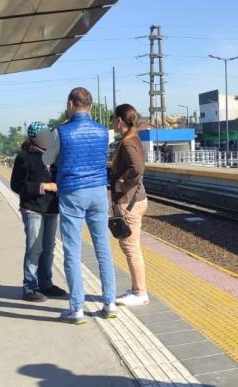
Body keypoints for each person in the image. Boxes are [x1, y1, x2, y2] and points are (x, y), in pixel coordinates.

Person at [43, 87, 117, 323]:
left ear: (70, 104)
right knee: (102, 248)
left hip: (73, 192)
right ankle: (110, 303)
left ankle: (76, 308)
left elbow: (46, 160)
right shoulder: (103, 131)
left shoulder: (61, 132)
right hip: (98, 192)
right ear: (91, 106)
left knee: (72, 252)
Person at [10, 122, 67, 302]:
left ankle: (46, 284)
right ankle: (30, 286)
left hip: (51, 208)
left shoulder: (54, 156)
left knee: (49, 248)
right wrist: (42, 187)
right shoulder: (24, 157)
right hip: (32, 208)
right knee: (34, 247)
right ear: (34, 138)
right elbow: (16, 185)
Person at [110, 104, 150, 306]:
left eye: (112, 119)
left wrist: (123, 183)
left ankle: (139, 292)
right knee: (133, 247)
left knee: (130, 247)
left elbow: (137, 167)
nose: (112, 123)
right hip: (136, 199)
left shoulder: (127, 143)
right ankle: (137, 288)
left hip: (129, 202)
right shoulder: (134, 138)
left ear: (119, 120)